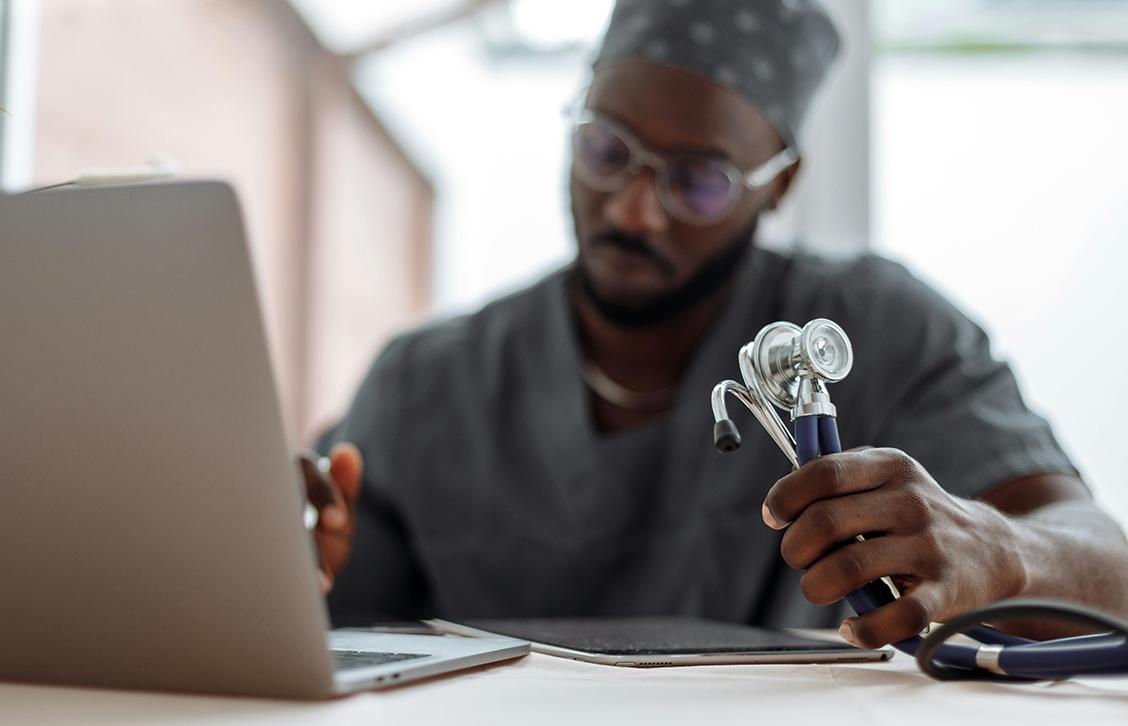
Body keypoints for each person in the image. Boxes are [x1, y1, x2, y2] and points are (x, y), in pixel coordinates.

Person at [307, 0, 1128, 648]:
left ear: (779, 183)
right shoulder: (424, 386)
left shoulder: (881, 334)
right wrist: (288, 567)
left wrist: (1002, 552)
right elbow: (335, 627)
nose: (633, 210)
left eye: (697, 181)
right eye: (605, 149)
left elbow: (1109, 567)